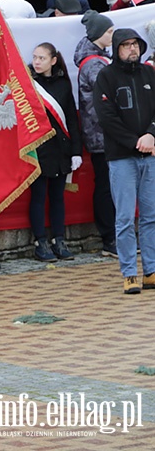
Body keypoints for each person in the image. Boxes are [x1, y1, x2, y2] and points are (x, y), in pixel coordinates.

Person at [93, 29, 155, 294]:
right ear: (116, 48)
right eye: (126, 45)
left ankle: (151, 271)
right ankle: (130, 272)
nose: (132, 49)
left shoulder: (149, 74)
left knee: (151, 217)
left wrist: (151, 134)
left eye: (135, 45)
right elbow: (106, 118)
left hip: (150, 155)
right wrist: (134, 141)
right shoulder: (106, 77)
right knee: (125, 218)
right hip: (121, 158)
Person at [29, 43, 82, 261]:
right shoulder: (28, 84)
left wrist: (76, 151)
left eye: (42, 58)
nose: (37, 62)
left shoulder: (62, 84)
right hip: (38, 149)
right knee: (39, 196)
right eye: (35, 57)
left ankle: (59, 239)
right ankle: (40, 241)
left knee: (58, 197)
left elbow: (71, 118)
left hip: (60, 149)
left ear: (53, 61)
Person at [73, 10, 117, 257]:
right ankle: (109, 238)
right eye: (109, 31)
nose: (112, 35)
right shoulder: (94, 64)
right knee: (106, 186)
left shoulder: (98, 59)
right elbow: (111, 94)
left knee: (110, 185)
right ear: (98, 34)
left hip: (103, 133)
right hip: (102, 134)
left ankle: (113, 236)